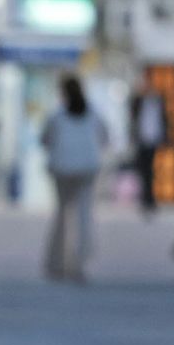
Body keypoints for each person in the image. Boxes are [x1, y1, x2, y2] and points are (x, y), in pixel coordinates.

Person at [42, 75, 107, 282]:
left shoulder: (58, 115)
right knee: (83, 216)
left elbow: (44, 139)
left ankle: (57, 263)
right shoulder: (93, 113)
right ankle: (79, 262)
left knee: (62, 215)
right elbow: (104, 137)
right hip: (87, 169)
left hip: (63, 169)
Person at [128, 76, 167, 215]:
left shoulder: (159, 102)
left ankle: (151, 200)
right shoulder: (139, 101)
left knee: (152, 171)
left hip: (154, 139)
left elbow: (163, 120)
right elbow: (133, 118)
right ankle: (145, 199)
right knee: (143, 171)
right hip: (142, 140)